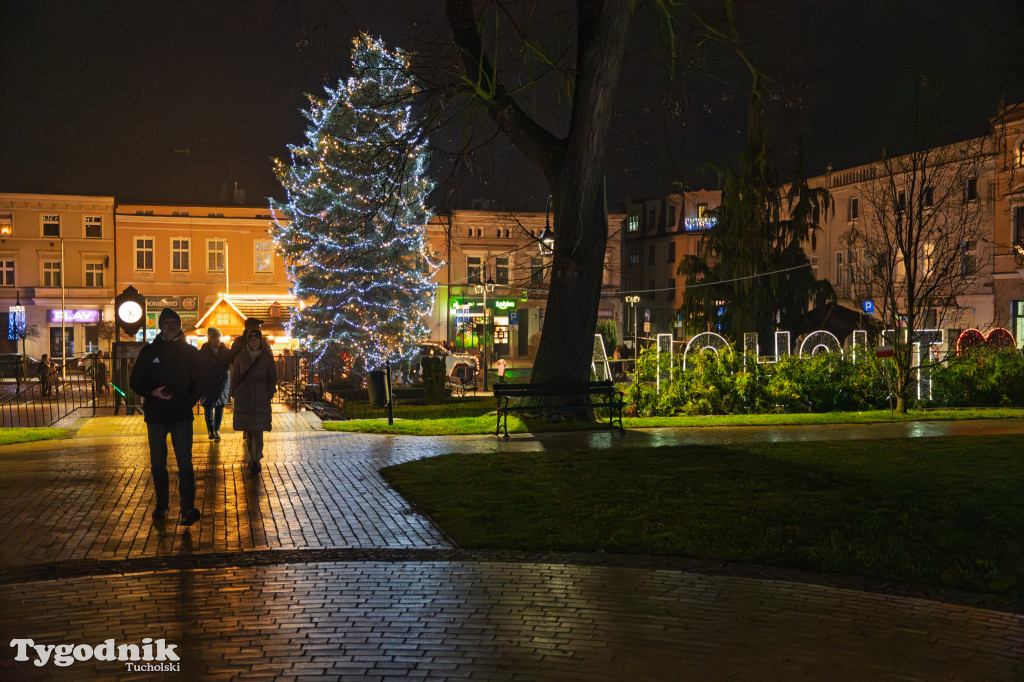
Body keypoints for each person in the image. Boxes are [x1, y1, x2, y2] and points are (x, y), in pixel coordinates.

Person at [129, 307, 202, 527]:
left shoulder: (191, 353)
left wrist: (186, 402)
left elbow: (199, 384)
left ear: (179, 325)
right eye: (167, 322)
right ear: (160, 325)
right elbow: (134, 381)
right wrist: (153, 392)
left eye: (174, 322)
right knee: (158, 463)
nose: (171, 325)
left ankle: (187, 507)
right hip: (156, 415)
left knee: (185, 464)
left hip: (181, 415)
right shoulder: (149, 351)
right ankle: (162, 504)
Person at [231, 327, 276, 474]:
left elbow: (272, 376)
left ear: (260, 340)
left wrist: (269, 392)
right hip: (244, 398)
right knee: (249, 430)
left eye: (257, 339)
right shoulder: (241, 356)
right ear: (248, 341)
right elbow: (235, 375)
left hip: (261, 398)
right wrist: (234, 392)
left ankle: (256, 458)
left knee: (258, 429)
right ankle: (253, 455)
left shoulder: (267, 358)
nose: (254, 342)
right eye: (252, 339)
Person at [198, 327, 231, 441]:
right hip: (208, 383)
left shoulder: (225, 350)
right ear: (209, 339)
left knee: (219, 407)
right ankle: (210, 430)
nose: (217, 339)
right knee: (208, 407)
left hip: (222, 383)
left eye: (218, 337)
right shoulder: (203, 351)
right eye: (214, 337)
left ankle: (217, 429)